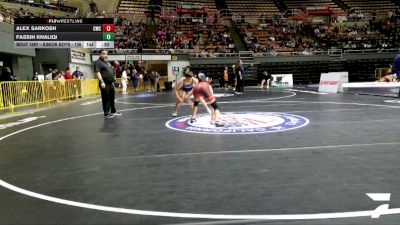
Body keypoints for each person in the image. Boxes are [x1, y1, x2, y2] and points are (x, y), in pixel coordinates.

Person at [94, 49, 121, 119]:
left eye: (106, 54)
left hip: (110, 83)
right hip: (104, 83)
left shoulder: (107, 62)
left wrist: (113, 77)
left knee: (112, 98)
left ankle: (113, 111)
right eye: (103, 53)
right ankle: (106, 113)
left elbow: (111, 71)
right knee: (106, 98)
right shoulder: (98, 62)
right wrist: (102, 82)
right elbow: (97, 72)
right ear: (100, 54)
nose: (105, 55)